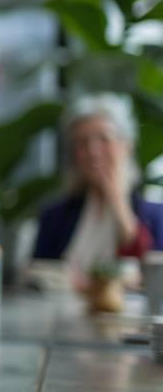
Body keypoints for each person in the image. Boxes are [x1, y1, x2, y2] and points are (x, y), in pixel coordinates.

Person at [33, 94, 163, 271]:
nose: (92, 151)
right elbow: (36, 275)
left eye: (104, 138)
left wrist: (118, 201)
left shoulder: (156, 216)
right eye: (82, 142)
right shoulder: (54, 217)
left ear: (127, 145)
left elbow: (153, 277)